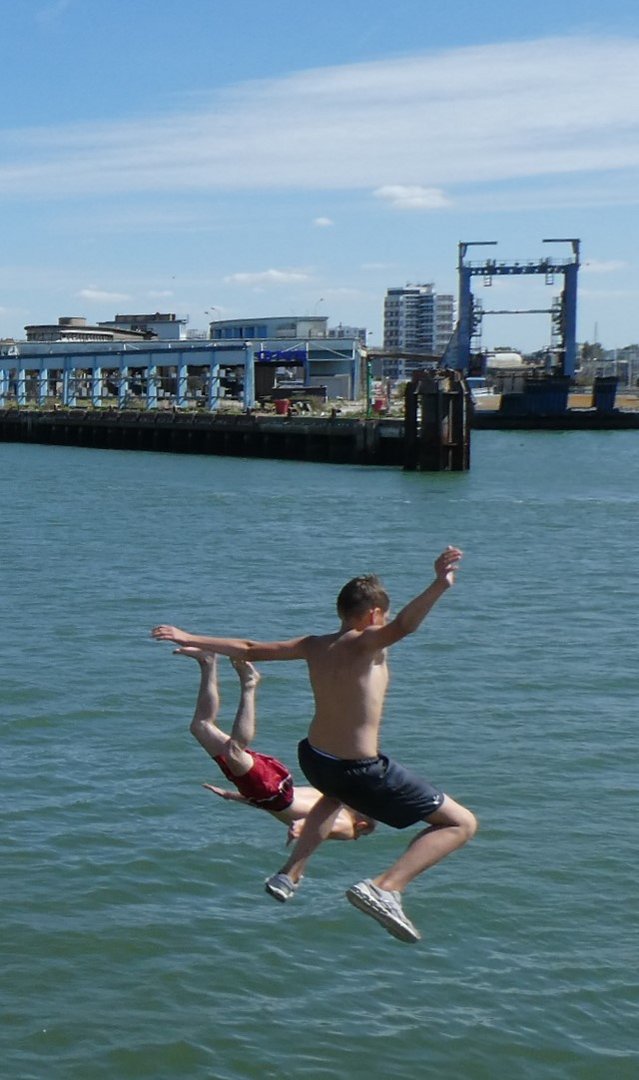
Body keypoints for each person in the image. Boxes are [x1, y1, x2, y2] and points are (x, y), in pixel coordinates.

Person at [151, 545, 477, 944]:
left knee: (332, 796)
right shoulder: (368, 643)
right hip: (359, 769)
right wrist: (438, 584)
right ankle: (387, 887)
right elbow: (407, 625)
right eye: (383, 618)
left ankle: (289, 874)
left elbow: (250, 648)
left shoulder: (313, 644)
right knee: (461, 823)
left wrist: (190, 635)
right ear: (374, 616)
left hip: (316, 758)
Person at [172, 647, 375, 842]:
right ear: (362, 824)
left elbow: (271, 804)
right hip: (270, 790)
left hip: (271, 788)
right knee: (235, 752)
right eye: (362, 834)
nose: (356, 838)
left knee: (200, 726)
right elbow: (319, 824)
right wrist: (300, 828)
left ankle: (207, 661)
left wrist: (231, 796)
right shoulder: (348, 828)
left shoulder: (330, 800)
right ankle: (249, 685)